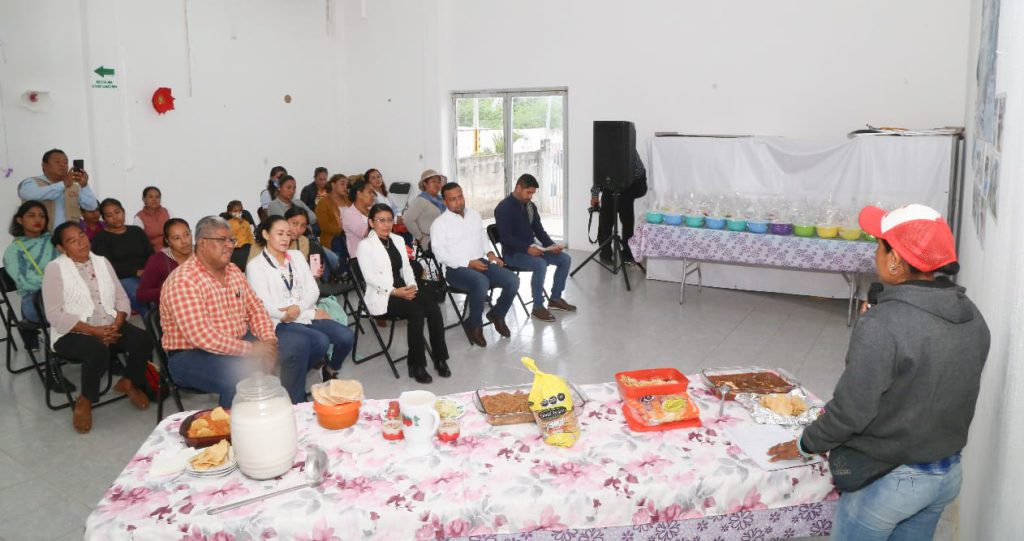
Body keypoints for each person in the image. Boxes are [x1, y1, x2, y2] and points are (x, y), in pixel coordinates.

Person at [767, 204, 990, 540]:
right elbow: (929, 380)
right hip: (945, 473)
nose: (875, 254)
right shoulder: (972, 315)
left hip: (891, 482)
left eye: (879, 246)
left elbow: (851, 411)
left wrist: (805, 443)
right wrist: (879, 322)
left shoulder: (883, 325)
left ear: (895, 260)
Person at [160, 216, 311, 407]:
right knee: (241, 375)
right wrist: (253, 349)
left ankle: (292, 407)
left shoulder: (232, 270)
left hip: (237, 340)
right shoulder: (183, 280)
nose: (230, 246)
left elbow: (256, 309)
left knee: (298, 345)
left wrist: (268, 342)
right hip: (191, 354)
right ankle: (235, 424)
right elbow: (202, 337)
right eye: (222, 240)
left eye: (231, 240)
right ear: (202, 243)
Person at [41, 222, 153, 433]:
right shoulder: (55, 269)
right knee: (98, 351)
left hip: (109, 324)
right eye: (72, 241)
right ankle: (85, 399)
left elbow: (121, 297)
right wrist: (93, 331)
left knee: (144, 340)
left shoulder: (102, 261)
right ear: (62, 248)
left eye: (82, 236)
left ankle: (128, 382)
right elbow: (54, 315)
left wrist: (118, 322)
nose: (81, 242)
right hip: (71, 332)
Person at [247, 216, 354, 381]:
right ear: (266, 234)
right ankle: (294, 377)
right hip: (280, 321)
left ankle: (328, 368)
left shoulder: (296, 256)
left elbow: (313, 290)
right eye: (280, 234)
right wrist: (309, 313)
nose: (285, 238)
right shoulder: (255, 266)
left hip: (304, 313)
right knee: (320, 341)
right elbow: (267, 307)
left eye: (288, 234)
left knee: (346, 337)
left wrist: (301, 309)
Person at [356, 204, 449, 383]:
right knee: (416, 312)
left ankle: (440, 358)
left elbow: (406, 268)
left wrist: (412, 286)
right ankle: (418, 364)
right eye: (381, 220)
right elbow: (370, 278)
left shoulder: (397, 240)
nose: (386, 224)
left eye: (389, 220)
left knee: (433, 308)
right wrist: (394, 291)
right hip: (383, 295)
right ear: (371, 222)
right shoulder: (365, 246)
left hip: (403, 288)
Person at [430, 182, 519, 347]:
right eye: (453, 199)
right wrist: (468, 263)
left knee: (512, 280)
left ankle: (497, 314)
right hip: (456, 269)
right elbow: (440, 254)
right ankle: (474, 324)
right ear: (444, 201)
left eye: (460, 197)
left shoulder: (474, 215)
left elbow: (482, 237)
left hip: (481, 262)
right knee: (481, 281)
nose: (458, 202)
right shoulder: (439, 224)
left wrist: (490, 254)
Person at [3, 202, 72, 392]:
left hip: (63, 294)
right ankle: (53, 369)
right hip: (34, 300)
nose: (37, 219)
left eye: (42, 216)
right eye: (31, 215)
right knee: (56, 312)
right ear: (20, 220)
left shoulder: (54, 242)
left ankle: (103, 353)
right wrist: (57, 282)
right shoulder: (13, 251)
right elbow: (25, 281)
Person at [493, 174, 576, 322]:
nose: (530, 196)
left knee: (565, 259)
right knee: (540, 264)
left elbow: (539, 230)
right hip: (512, 254)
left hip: (532, 249)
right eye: (528, 192)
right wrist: (527, 249)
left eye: (533, 193)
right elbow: (506, 238)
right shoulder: (503, 208)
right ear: (518, 188)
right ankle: (537, 307)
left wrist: (551, 245)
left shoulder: (530, 206)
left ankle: (555, 299)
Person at [91, 198, 153, 316]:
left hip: (146, 273)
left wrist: (149, 271)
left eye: (117, 212)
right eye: (109, 215)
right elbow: (106, 267)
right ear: (104, 219)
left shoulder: (137, 231)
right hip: (122, 278)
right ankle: (152, 320)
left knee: (162, 290)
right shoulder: (100, 238)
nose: (115, 217)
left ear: (123, 211)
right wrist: (135, 272)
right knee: (138, 294)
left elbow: (151, 254)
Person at [590, 148, 647, 264]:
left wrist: (625, 175)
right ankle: (605, 254)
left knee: (627, 225)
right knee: (605, 224)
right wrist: (595, 196)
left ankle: (627, 254)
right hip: (609, 189)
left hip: (627, 189)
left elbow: (640, 171)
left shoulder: (629, 148)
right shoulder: (602, 151)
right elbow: (598, 176)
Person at [18, 149, 98, 230]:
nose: (63, 165)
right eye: (57, 161)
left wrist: (84, 186)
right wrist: (63, 184)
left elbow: (91, 206)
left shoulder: (73, 186)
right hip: (41, 235)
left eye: (65, 162)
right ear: (44, 165)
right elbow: (29, 195)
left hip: (68, 235)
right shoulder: (32, 182)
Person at [137, 218, 192, 306]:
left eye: (187, 235)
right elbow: (141, 294)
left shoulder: (202, 253)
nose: (184, 241)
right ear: (168, 241)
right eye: (177, 238)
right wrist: (168, 290)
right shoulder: (158, 260)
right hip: (175, 308)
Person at [404, 169, 446, 251]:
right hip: (430, 241)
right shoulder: (420, 201)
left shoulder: (442, 199)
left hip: (443, 237)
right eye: (433, 181)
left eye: (439, 182)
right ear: (425, 184)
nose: (437, 184)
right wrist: (419, 237)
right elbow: (407, 219)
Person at [315, 174, 350, 256]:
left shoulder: (348, 200)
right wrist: (342, 229)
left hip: (350, 235)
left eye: (346, 185)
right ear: (333, 185)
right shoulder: (323, 203)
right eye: (342, 184)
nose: (345, 187)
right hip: (333, 239)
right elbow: (324, 226)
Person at [342, 178, 375, 261]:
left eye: (373, 192)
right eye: (370, 192)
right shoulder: (349, 214)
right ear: (359, 194)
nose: (373, 195)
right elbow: (368, 234)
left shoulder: (373, 210)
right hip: (360, 258)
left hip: (375, 253)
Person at [133, 186, 172, 252]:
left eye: (157, 197)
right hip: (152, 252)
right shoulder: (139, 217)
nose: (154, 199)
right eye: (150, 197)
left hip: (172, 249)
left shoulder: (167, 212)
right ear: (144, 199)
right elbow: (138, 241)